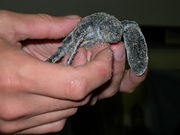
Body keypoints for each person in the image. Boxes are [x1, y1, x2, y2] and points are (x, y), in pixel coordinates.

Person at [0, 10, 147, 134]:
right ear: (103, 29)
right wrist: (65, 62)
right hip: (82, 38)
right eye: (112, 34)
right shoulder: (90, 25)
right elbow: (71, 41)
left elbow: (128, 27)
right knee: (64, 55)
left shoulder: (119, 28)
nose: (115, 38)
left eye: (117, 34)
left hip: (91, 49)